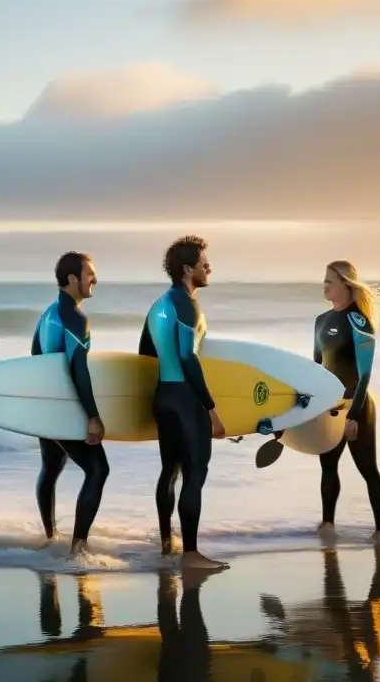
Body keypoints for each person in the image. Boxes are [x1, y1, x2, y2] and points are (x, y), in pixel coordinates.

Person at [138, 235, 227, 571]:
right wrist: (210, 407)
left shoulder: (158, 305)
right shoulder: (187, 305)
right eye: (204, 264)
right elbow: (188, 358)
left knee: (169, 472)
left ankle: (166, 544)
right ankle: (190, 554)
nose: (209, 268)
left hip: (163, 395)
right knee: (194, 474)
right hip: (185, 398)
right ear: (188, 269)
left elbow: (145, 355)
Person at [30, 251, 110, 557]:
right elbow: (79, 368)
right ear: (73, 278)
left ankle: (50, 538)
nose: (95, 279)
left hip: (46, 407)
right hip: (64, 408)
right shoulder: (76, 318)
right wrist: (93, 416)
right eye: (90, 273)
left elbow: (36, 361)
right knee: (98, 470)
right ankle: (78, 548)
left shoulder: (48, 314)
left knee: (51, 468)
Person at [313, 260, 380, 541]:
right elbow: (316, 367)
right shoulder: (321, 321)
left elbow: (365, 374)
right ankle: (328, 524)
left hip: (356, 406)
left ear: (346, 284)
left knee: (367, 469)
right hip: (329, 408)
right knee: (328, 467)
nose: (325, 285)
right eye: (324, 280)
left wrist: (353, 416)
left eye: (330, 280)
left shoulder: (359, 322)